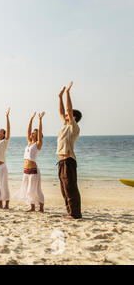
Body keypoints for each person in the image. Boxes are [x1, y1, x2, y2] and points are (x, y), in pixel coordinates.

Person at [57, 82, 82, 219]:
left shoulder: (73, 127)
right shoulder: (65, 125)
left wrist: (67, 93)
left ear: (74, 117)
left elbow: (68, 108)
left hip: (68, 160)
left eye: (69, 114)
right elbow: (62, 111)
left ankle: (75, 214)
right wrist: (59, 97)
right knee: (64, 189)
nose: (65, 115)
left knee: (70, 187)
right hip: (61, 161)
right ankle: (70, 212)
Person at [14, 111, 45, 212]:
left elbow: (40, 132)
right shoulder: (29, 143)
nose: (32, 133)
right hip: (26, 170)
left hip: (33, 170)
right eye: (32, 132)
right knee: (28, 190)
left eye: (34, 133)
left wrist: (40, 120)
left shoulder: (38, 144)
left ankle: (41, 207)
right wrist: (31, 119)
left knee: (35, 190)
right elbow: (28, 131)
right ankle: (32, 207)